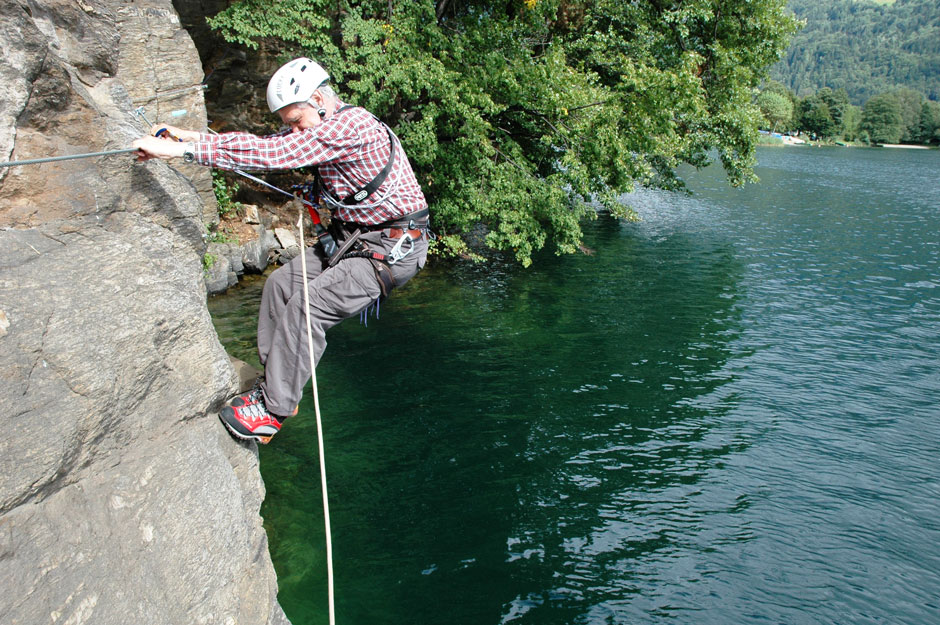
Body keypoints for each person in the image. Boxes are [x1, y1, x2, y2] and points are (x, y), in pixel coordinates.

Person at [133, 57, 430, 443]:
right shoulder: (323, 126)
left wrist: (179, 154)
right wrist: (188, 138)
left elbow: (274, 156)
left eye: (295, 120)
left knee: (309, 305)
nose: (291, 128)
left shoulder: (351, 126)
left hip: (392, 248)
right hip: (353, 240)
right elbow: (269, 145)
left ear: (319, 99)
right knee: (280, 285)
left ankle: (273, 410)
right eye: (288, 122)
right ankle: (274, 385)